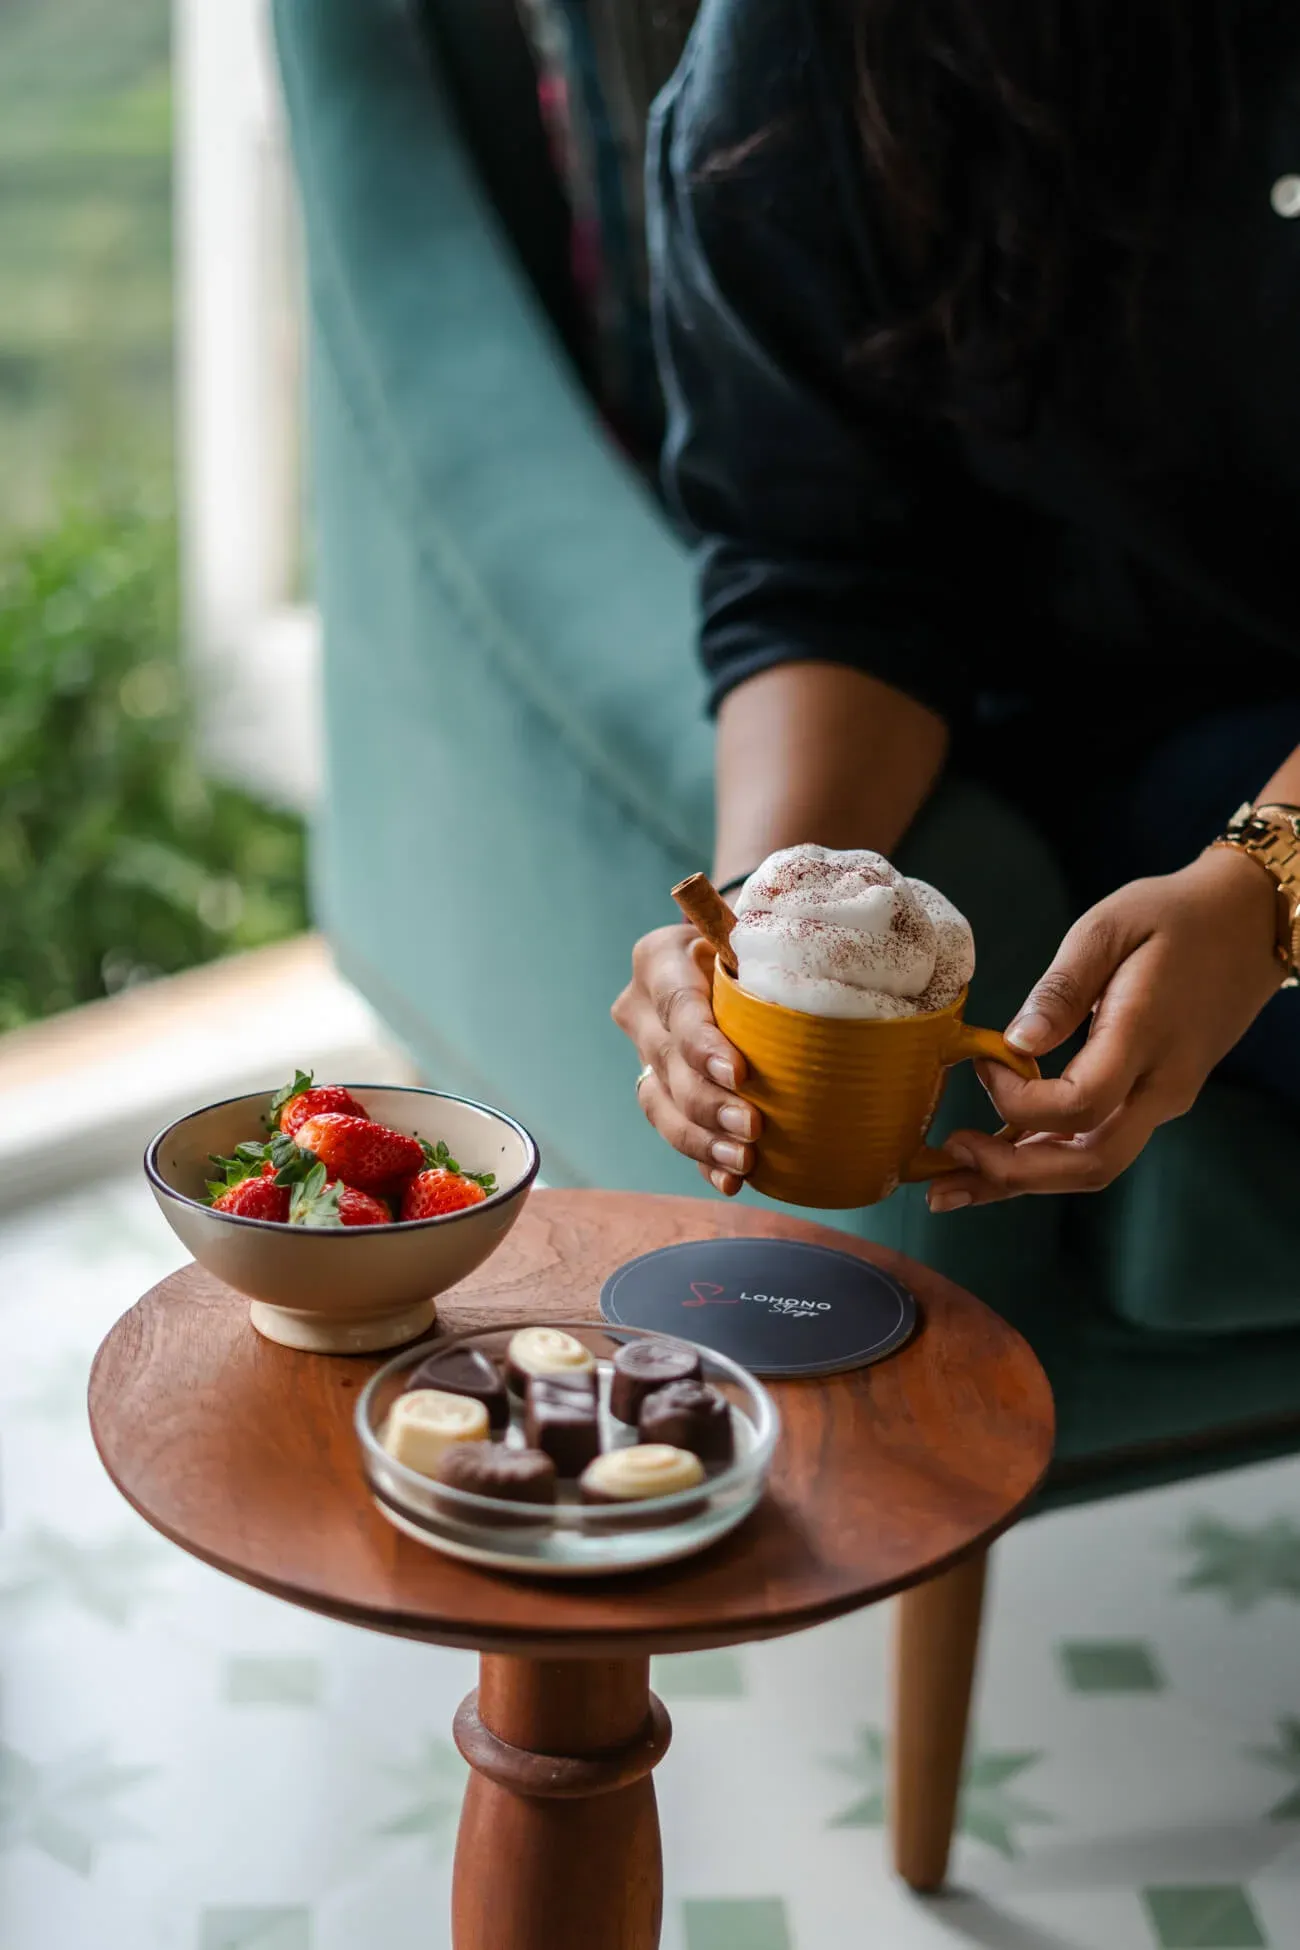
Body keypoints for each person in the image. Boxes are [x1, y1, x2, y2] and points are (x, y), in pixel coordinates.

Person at [613, 0, 1300, 1214]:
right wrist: (766, 931)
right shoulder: (804, 52)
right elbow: (829, 566)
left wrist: (1272, 888)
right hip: (1112, 738)